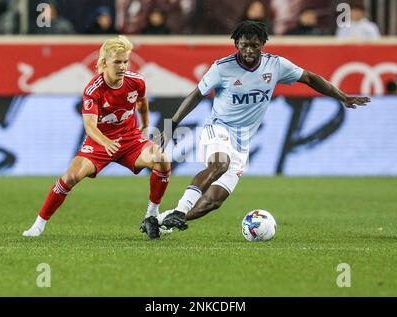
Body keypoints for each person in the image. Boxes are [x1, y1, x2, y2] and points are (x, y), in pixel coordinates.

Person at [156, 20, 370, 232]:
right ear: (236, 44)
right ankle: (181, 209)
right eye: (244, 44)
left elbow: (310, 78)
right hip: (219, 127)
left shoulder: (275, 65)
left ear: (263, 44)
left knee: (214, 201)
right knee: (219, 165)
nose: (249, 50)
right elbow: (196, 95)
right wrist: (173, 123)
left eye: (254, 45)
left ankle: (162, 220)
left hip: (243, 140)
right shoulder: (222, 68)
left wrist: (342, 96)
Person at [22, 36, 171, 240]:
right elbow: (90, 126)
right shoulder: (93, 90)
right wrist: (106, 142)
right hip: (100, 142)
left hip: (130, 140)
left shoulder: (136, 81)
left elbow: (142, 102)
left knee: (162, 160)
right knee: (71, 177)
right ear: (104, 63)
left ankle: (152, 216)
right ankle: (38, 226)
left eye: (125, 61)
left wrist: (144, 126)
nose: (122, 67)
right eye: (117, 62)